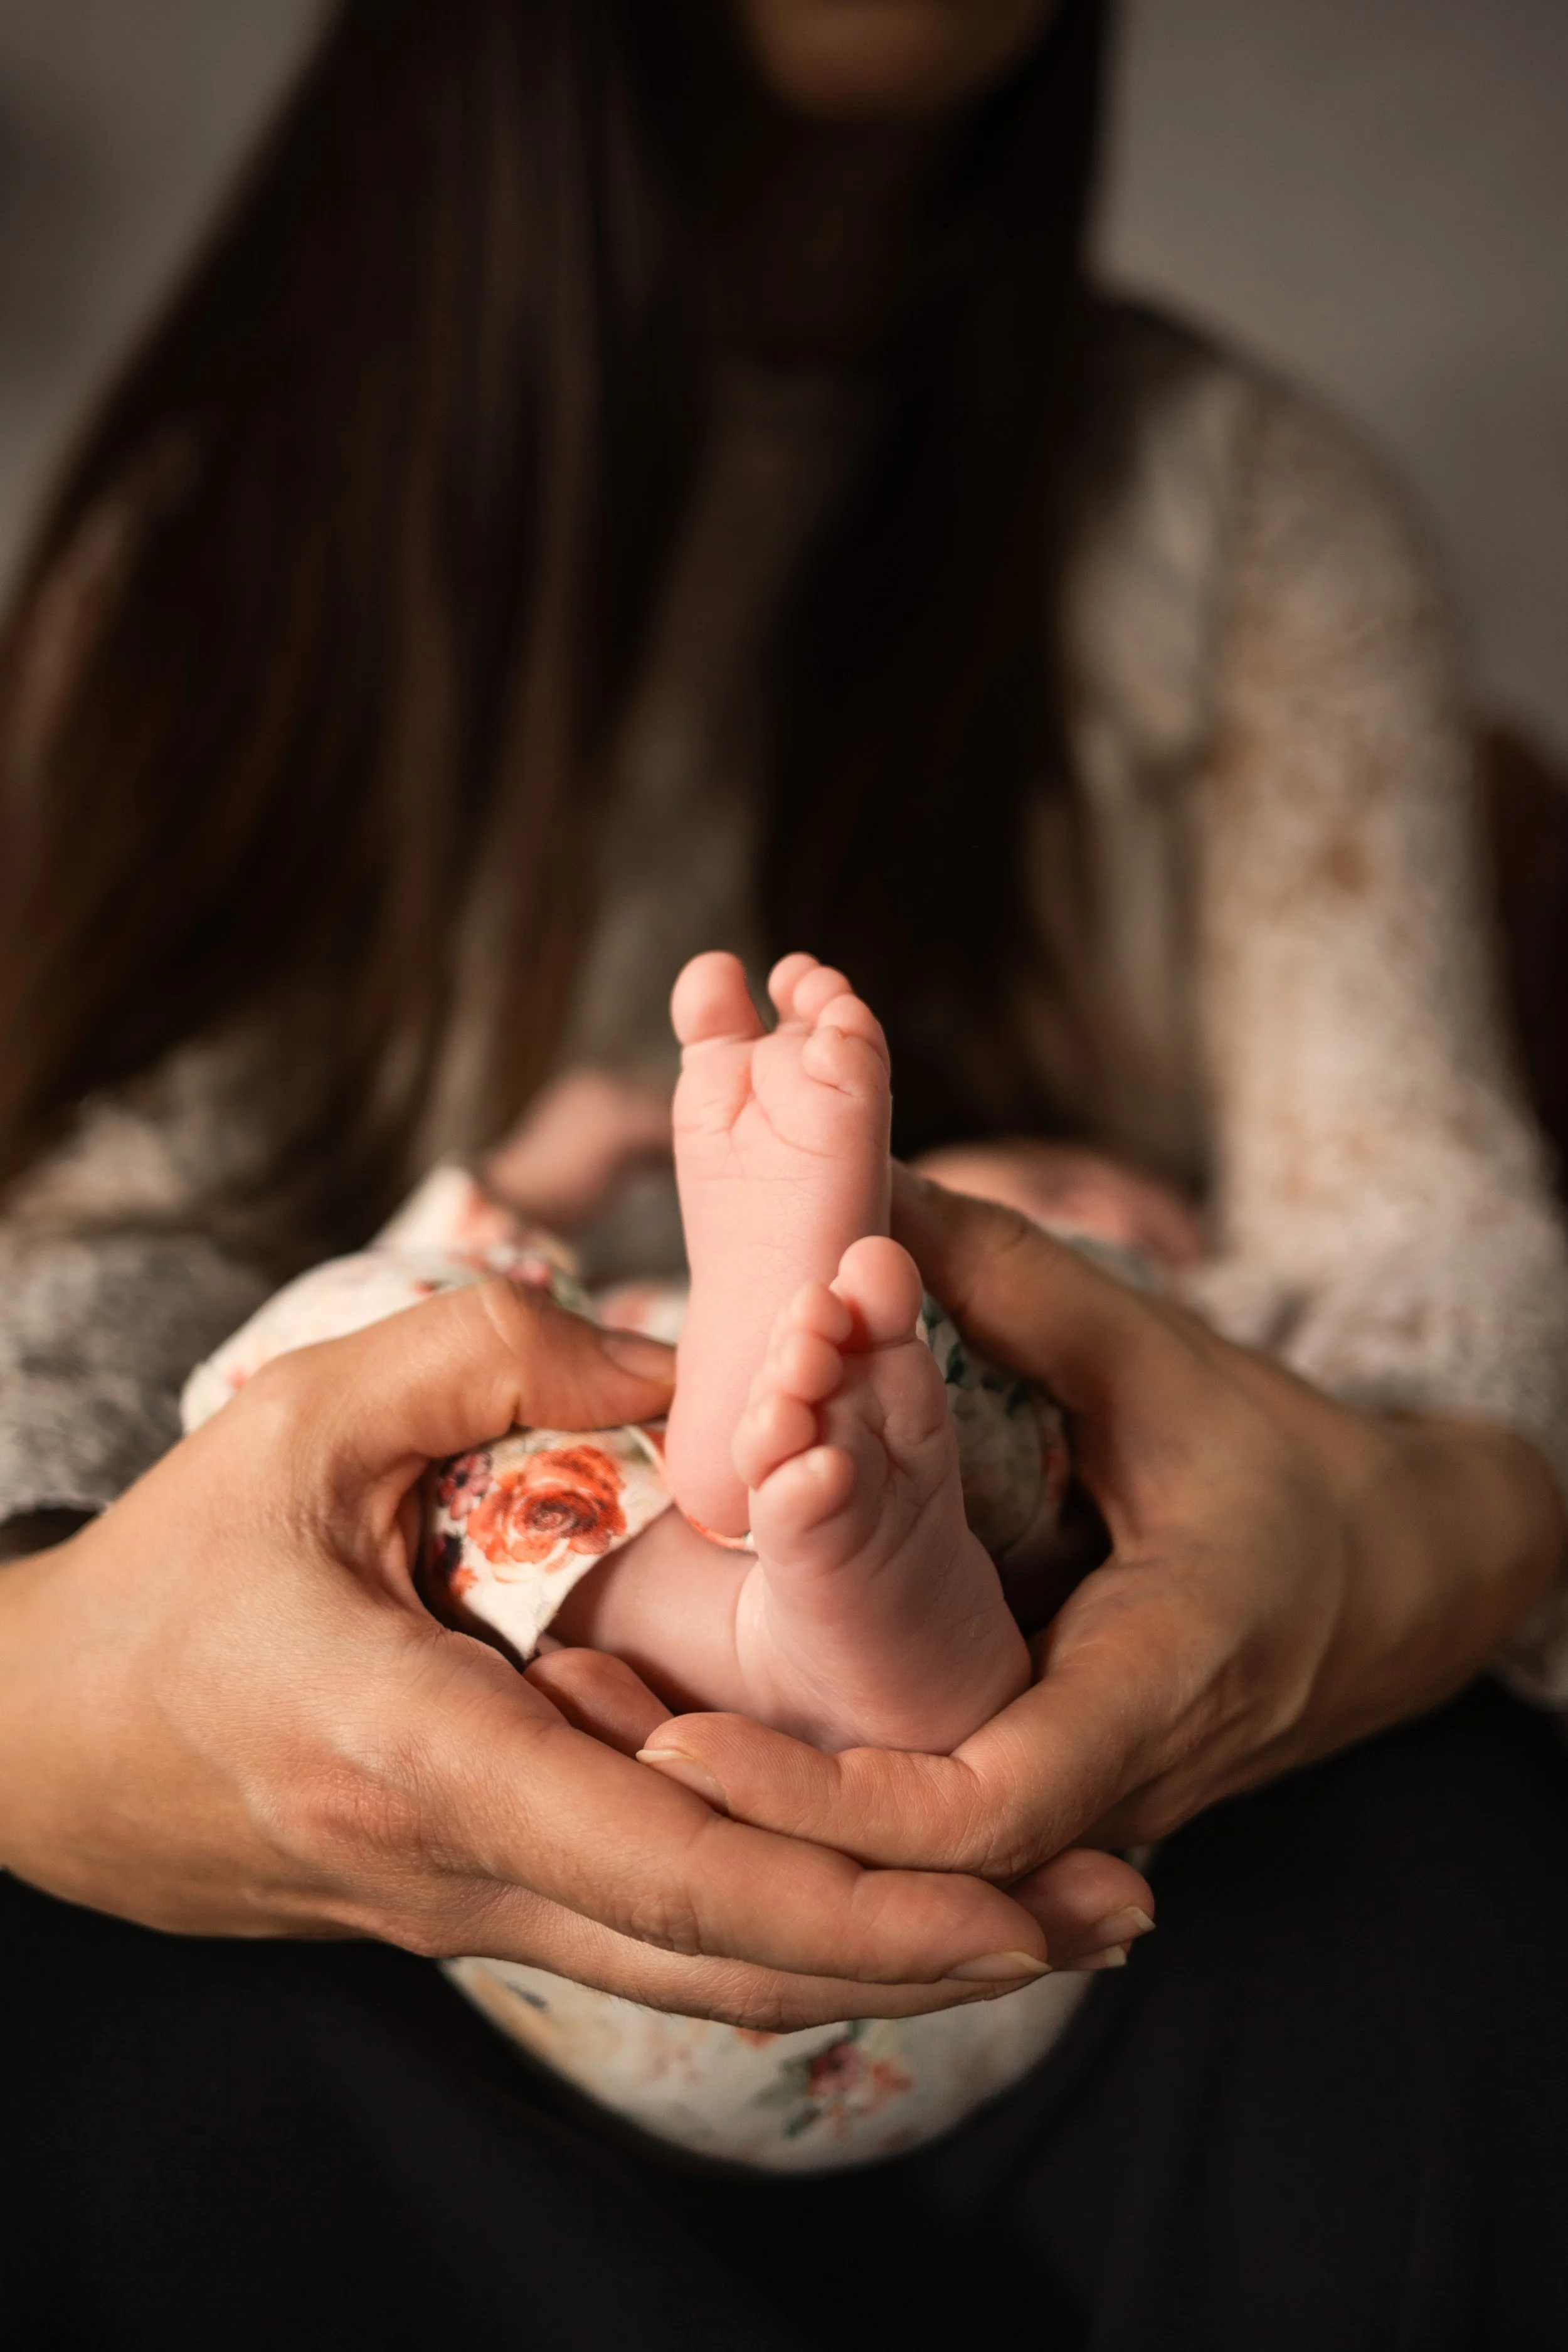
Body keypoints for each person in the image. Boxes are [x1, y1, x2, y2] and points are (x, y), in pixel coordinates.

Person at [2, 1, 1567, 2343]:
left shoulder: (1245, 522)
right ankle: (808, 1528)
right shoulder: (233, 535)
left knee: (1382, 1815)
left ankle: (804, 1509)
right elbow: (86, 1298)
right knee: (356, 1420)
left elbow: (1433, 1300)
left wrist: (1397, 1519)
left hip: (1049, 1727)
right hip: (522, 1711)